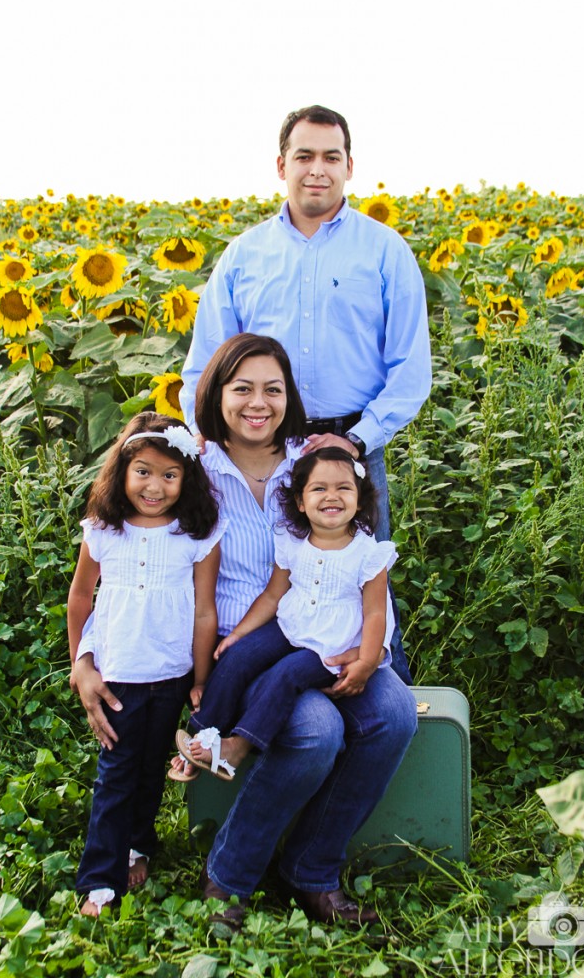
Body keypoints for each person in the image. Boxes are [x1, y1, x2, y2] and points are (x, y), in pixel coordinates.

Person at [75, 334, 417, 928]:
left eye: (273, 389)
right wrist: (88, 657)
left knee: (393, 714)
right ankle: (229, 876)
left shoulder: (315, 461)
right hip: (242, 640)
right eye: (242, 388)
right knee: (316, 733)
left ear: (290, 398)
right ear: (216, 393)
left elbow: (363, 558)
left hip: (331, 631)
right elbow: (128, 560)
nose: (258, 402)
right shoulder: (189, 466)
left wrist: (371, 647)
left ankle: (311, 868)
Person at [180, 104, 432, 683]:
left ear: (349, 167)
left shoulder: (385, 250)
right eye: (304, 156)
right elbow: (204, 364)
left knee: (362, 588)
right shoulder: (245, 255)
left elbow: (410, 370)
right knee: (257, 579)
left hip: (349, 445)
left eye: (330, 157)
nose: (317, 169)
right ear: (281, 165)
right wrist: (208, 440)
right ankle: (243, 709)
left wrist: (355, 441)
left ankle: (377, 707)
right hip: (258, 446)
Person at [68, 411, 224, 917]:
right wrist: (80, 663)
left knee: (151, 768)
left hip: (172, 673)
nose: (154, 486)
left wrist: (201, 678)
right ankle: (100, 881)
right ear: (122, 470)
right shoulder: (104, 530)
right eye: (143, 471)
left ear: (187, 478)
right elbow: (79, 599)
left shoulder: (196, 534)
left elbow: (204, 611)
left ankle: (138, 844)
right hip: (119, 675)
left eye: (169, 475)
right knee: (116, 772)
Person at [174, 448, 397, 781]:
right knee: (238, 656)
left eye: (344, 488)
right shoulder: (293, 540)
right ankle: (202, 736)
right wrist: (238, 634)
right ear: (301, 502)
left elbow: (377, 613)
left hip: (329, 646)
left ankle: (237, 748)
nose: (331, 496)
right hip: (291, 626)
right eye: (319, 489)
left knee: (287, 674)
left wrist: (366, 662)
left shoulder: (369, 553)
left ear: (360, 500)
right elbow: (273, 595)